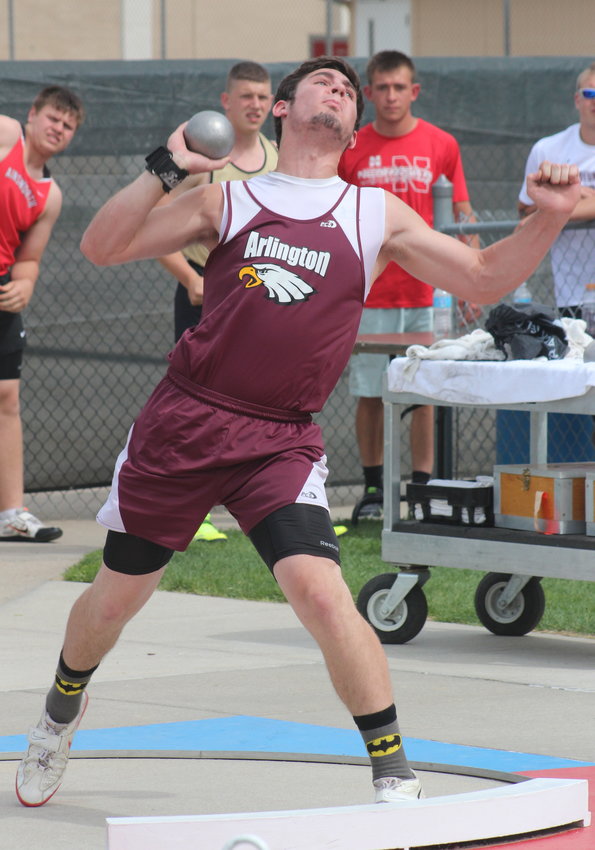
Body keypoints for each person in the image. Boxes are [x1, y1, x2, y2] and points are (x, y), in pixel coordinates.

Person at [15, 56, 579, 809]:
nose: (341, 89)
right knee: (116, 600)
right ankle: (60, 710)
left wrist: (548, 217)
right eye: (323, 82)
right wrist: (169, 163)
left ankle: (390, 771)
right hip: (186, 421)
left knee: (320, 593)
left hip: (279, 438)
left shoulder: (373, 214)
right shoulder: (230, 199)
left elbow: (479, 277)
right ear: (281, 110)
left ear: (351, 124)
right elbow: (103, 247)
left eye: (348, 88)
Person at [339, 51, 478, 517]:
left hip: (428, 294)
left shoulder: (441, 144)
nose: (391, 96)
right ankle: (375, 490)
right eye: (382, 87)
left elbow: (462, 215)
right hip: (370, 292)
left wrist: (472, 279)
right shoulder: (353, 147)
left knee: (424, 395)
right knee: (370, 394)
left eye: (400, 87)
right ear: (370, 93)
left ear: (413, 91)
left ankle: (423, 488)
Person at [157, 60, 277, 543]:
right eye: (246, 96)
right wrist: (190, 277)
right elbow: (154, 223)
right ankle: (191, 510)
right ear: (226, 102)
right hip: (205, 294)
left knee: (261, 400)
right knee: (194, 402)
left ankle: (268, 505)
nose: (255, 105)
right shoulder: (205, 161)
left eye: (263, 97)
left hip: (256, 296)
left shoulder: (280, 159)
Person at [0, 86, 85, 542]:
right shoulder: (6, 135)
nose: (58, 129)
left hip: (2, 295)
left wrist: (26, 283)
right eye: (53, 118)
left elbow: (29, 258)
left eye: (68, 126)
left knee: (7, 398)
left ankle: (12, 513)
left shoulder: (49, 194)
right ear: (32, 115)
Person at [518, 60, 595, 316]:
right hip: (570, 289)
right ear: (577, 100)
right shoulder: (548, 149)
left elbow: (540, 213)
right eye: (590, 93)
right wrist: (582, 196)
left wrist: (561, 205)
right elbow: (526, 212)